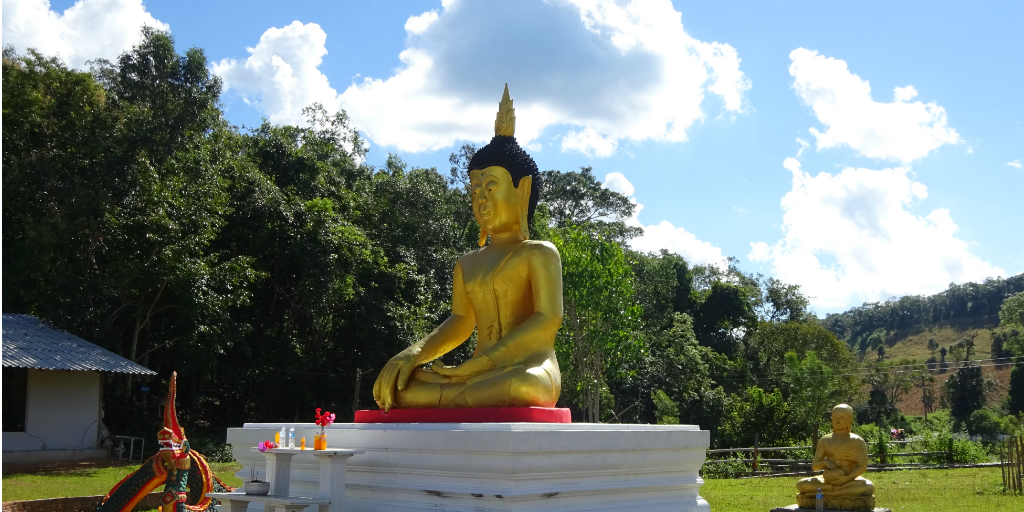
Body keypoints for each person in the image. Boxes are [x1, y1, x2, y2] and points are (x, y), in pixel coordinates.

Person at [372, 85, 563, 412]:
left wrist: (482, 364)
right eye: (475, 189)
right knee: (404, 385)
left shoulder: (539, 253)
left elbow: (547, 319)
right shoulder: (468, 263)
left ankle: (459, 396)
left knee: (524, 386)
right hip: (473, 377)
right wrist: (410, 355)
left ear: (523, 191)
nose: (481, 200)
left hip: (526, 368)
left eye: (491, 187)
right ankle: (460, 395)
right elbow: (461, 321)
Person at [795, 404, 875, 510]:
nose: (837, 421)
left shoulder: (856, 440)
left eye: (841, 418)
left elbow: (862, 466)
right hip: (827, 479)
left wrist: (847, 478)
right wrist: (826, 463)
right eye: (835, 418)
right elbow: (815, 466)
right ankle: (837, 494)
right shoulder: (825, 440)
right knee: (801, 484)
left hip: (849, 480)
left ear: (849, 420)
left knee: (868, 487)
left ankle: (826, 494)